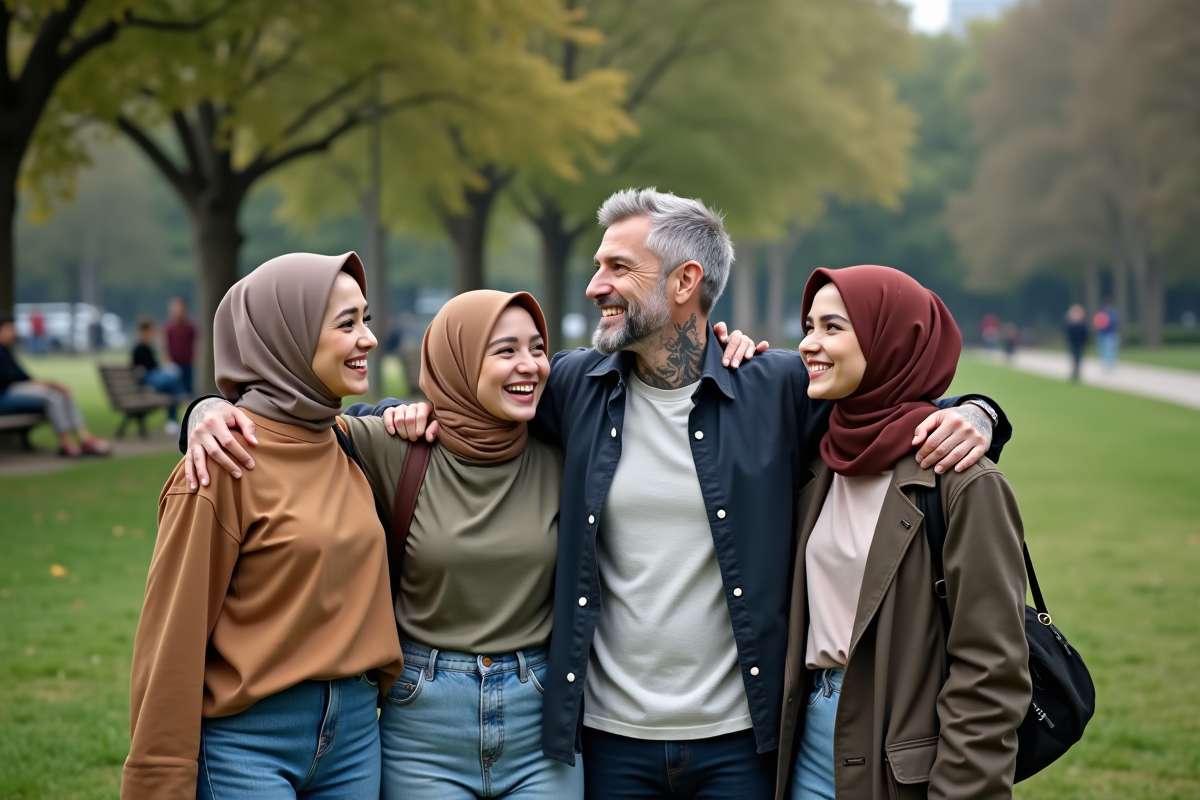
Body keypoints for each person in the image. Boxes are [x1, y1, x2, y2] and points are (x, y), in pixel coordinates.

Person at [185, 189, 1008, 799]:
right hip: (606, 742)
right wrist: (211, 409)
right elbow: (427, 405)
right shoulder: (573, 387)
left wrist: (980, 413)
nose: (594, 286)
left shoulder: (777, 388)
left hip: (743, 741)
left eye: (617, 267)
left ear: (685, 282)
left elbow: (890, 408)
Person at [121, 253, 403, 800]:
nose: (368, 338)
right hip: (247, 745)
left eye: (366, 319)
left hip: (354, 739)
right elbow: (172, 641)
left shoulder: (348, 443)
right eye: (346, 324)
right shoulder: (220, 463)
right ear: (287, 336)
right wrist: (159, 779)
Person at [777, 266, 1030, 800]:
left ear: (890, 340)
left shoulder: (963, 481)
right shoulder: (818, 459)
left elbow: (991, 671)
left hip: (901, 762)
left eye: (832, 327)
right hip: (805, 746)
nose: (808, 343)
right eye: (808, 326)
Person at [0, 314, 110, 456]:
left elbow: (24, 377)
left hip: (14, 391)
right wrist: (51, 385)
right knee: (52, 397)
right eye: (9, 329)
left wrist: (53, 385)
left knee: (63, 394)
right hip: (5, 396)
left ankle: (84, 437)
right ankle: (65, 442)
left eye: (13, 329)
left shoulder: (6, 350)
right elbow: (12, 378)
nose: (13, 333)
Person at [132, 316, 188, 433]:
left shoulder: (148, 347)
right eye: (151, 330)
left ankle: (172, 420)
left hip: (155, 377)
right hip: (149, 381)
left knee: (173, 385)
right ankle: (179, 410)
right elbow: (141, 369)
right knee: (174, 381)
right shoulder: (139, 348)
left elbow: (156, 365)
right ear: (146, 331)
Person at [164, 296, 198, 393]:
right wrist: (168, 362)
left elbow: (195, 343)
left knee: (188, 389)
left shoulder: (190, 326)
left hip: (187, 363)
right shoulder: (169, 327)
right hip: (174, 364)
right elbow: (166, 346)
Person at [1065, 304, 1088, 382]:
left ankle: (1077, 373)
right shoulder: (1070, 325)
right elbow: (1067, 334)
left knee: (1078, 359)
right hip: (1073, 344)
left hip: (1080, 345)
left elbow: (1085, 335)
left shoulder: (1082, 325)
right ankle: (1074, 372)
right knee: (1074, 359)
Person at [1094, 300, 1119, 371]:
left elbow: (1114, 324)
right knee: (1103, 350)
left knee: (1109, 350)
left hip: (1110, 334)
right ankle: (1106, 364)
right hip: (1102, 334)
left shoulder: (1113, 313)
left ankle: (1110, 365)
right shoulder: (1103, 313)